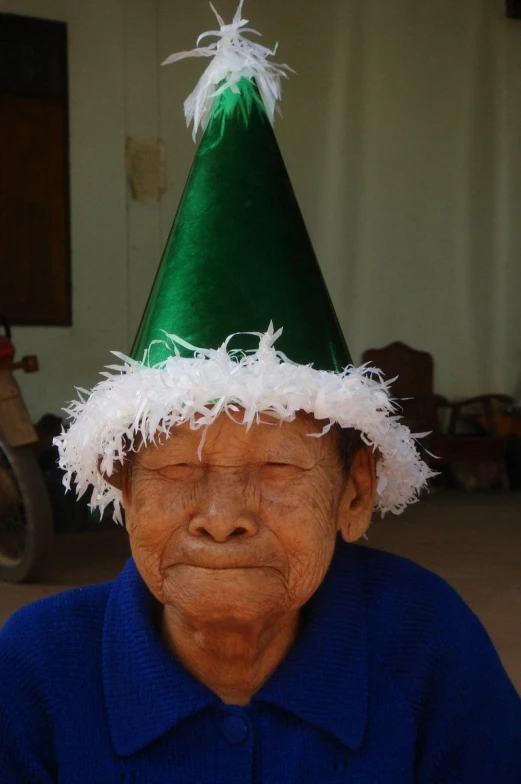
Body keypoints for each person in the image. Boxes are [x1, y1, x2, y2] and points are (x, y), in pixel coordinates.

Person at [1, 3, 520, 781]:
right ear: (122, 489)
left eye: (278, 471)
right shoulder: (35, 668)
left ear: (354, 494)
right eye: (176, 473)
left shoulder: (425, 639)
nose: (221, 521)